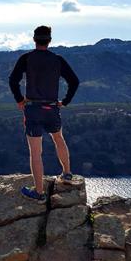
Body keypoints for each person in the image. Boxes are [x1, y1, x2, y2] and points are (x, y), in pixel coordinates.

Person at [8, 25, 80, 203]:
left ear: (34, 39)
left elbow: (13, 80)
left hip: (33, 108)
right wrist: (65, 101)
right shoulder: (57, 59)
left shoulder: (26, 58)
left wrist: (19, 99)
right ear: (49, 40)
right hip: (52, 107)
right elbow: (74, 81)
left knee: (35, 152)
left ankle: (39, 193)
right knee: (58, 139)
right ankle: (67, 173)